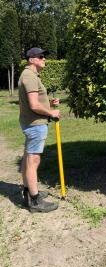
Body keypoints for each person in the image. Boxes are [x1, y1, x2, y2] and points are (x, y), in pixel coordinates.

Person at [18, 47, 60, 213]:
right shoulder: (29, 77)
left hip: (31, 122)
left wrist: (48, 103)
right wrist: (52, 112)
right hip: (35, 124)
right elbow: (34, 106)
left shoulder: (30, 75)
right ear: (31, 59)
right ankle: (35, 201)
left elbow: (34, 101)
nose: (45, 60)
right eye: (41, 57)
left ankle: (29, 192)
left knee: (28, 158)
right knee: (33, 160)